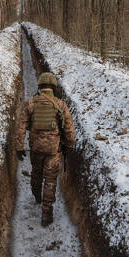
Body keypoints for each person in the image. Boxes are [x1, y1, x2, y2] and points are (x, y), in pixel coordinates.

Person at [15, 72, 75, 227]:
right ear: (53, 87)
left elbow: (21, 126)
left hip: (35, 148)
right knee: (50, 180)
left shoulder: (30, 104)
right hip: (53, 149)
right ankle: (46, 213)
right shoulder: (60, 105)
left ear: (40, 86)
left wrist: (19, 147)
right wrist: (69, 146)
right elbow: (69, 128)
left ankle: (37, 195)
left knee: (36, 172)